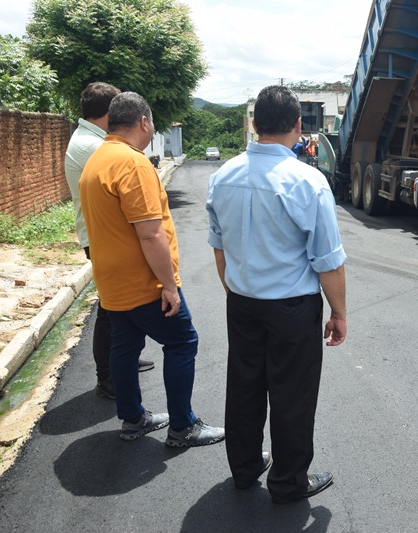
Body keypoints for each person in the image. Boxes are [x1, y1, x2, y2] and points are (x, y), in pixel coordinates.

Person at [206, 85, 347, 504]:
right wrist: (339, 313)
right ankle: (288, 482)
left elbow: (219, 247)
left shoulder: (223, 176)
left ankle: (245, 467)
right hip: (291, 307)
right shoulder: (308, 181)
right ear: (298, 125)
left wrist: (234, 289)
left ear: (254, 123)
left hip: (242, 302)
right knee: (292, 394)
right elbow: (328, 261)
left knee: (244, 386)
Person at [79, 92, 224, 446]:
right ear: (143, 121)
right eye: (153, 122)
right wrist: (169, 286)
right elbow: (150, 233)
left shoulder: (97, 160)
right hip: (143, 283)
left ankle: (133, 419)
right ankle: (183, 427)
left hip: (111, 280)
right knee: (182, 341)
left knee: (125, 347)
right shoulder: (133, 163)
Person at [64, 82, 154, 401]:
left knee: (120, 303)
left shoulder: (91, 139)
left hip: (101, 234)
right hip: (103, 236)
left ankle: (122, 360)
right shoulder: (94, 146)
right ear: (108, 112)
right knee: (110, 307)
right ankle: (107, 376)